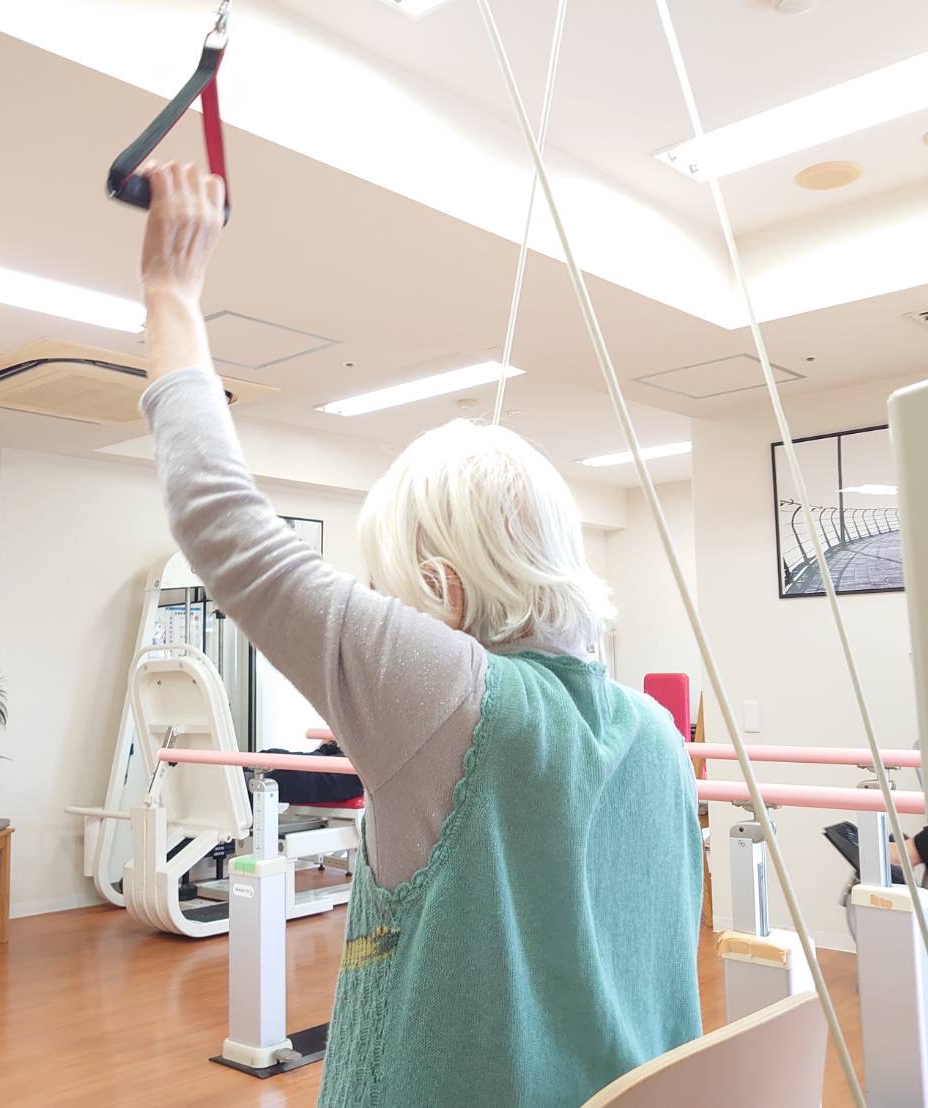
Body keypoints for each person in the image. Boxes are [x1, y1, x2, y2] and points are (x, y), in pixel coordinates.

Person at [136, 161, 702, 1106]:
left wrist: (170, 290)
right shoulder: (654, 733)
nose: (379, 608)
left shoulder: (448, 692)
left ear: (439, 592)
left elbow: (216, 517)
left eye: (386, 592)